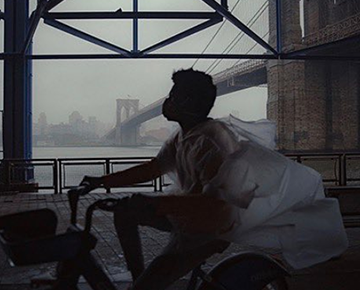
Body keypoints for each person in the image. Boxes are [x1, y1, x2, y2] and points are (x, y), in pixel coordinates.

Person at [82, 68, 348, 290]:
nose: (167, 100)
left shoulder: (214, 140)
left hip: (209, 229)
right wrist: (100, 182)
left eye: (173, 95)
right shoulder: (183, 135)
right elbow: (152, 169)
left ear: (186, 102)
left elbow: (217, 204)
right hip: (188, 217)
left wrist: (158, 204)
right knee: (126, 210)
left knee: (148, 257)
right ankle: (140, 277)